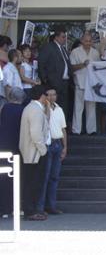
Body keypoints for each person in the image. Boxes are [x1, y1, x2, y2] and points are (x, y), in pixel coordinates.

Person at [19, 85, 49, 221]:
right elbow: (36, 133)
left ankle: (31, 209)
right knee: (33, 182)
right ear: (42, 96)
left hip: (30, 152)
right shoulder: (35, 110)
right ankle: (30, 211)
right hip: (34, 153)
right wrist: (43, 150)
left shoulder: (31, 108)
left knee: (31, 182)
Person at [37, 87, 67, 215]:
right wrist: (47, 107)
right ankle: (40, 207)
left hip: (57, 144)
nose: (51, 97)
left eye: (54, 95)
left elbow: (63, 129)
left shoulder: (59, 109)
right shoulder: (41, 109)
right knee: (45, 176)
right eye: (48, 95)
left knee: (54, 177)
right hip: (48, 144)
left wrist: (65, 147)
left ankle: (51, 206)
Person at [0, 88, 26, 217]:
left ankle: (3, 209)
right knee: (17, 179)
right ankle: (14, 207)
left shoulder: (4, 109)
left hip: (3, 146)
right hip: (17, 148)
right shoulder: (23, 111)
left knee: (3, 178)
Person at [37, 26, 72, 119]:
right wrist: (45, 80)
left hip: (64, 82)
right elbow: (41, 63)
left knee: (63, 106)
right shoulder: (49, 47)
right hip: (53, 82)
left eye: (65, 37)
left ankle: (61, 127)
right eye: (63, 37)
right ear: (56, 37)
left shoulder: (63, 49)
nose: (64, 39)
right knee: (52, 106)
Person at [70, 32, 100, 135]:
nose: (88, 43)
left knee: (91, 108)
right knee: (78, 108)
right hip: (80, 83)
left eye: (90, 41)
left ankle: (91, 130)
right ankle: (76, 130)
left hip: (91, 84)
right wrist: (83, 65)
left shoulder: (95, 53)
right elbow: (72, 67)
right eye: (86, 41)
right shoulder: (75, 52)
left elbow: (98, 68)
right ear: (82, 41)